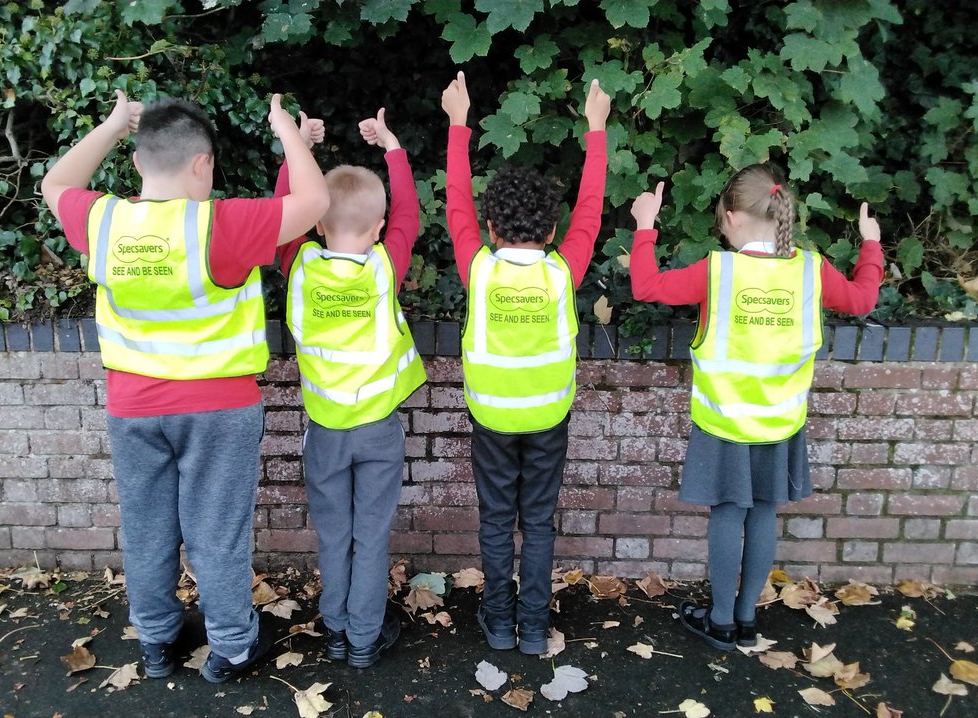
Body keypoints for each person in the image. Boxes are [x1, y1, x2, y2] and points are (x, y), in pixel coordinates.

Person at [40, 91, 330, 682]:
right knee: (215, 534)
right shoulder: (221, 224)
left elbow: (54, 182)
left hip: (132, 409)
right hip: (218, 410)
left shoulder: (104, 220)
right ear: (203, 164)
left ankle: (155, 642)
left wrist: (112, 125)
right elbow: (315, 201)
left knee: (147, 531)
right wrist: (285, 130)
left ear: (140, 162)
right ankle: (230, 647)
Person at [628, 164, 883, 650]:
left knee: (728, 514)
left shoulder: (719, 271)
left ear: (731, 215)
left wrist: (645, 226)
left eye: (720, 219)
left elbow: (648, 287)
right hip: (781, 423)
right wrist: (870, 243)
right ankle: (747, 618)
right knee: (763, 512)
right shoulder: (811, 269)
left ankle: (721, 621)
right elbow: (863, 299)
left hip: (723, 422)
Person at [441, 71, 610, 655]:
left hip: (491, 419)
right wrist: (596, 130)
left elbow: (455, 201)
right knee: (537, 522)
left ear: (489, 228)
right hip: (548, 419)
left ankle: (498, 624)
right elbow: (593, 207)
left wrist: (459, 125)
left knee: (495, 522)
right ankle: (534, 627)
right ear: (554, 230)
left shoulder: (478, 268)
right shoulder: (565, 270)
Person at [273, 107, 425, 668]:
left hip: (326, 432)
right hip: (378, 431)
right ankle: (364, 639)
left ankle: (336, 631)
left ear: (314, 223)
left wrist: (299, 147)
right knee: (372, 535)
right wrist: (392, 147)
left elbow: (282, 213)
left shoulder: (301, 265)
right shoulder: (386, 265)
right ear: (380, 229)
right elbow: (408, 212)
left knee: (334, 537)